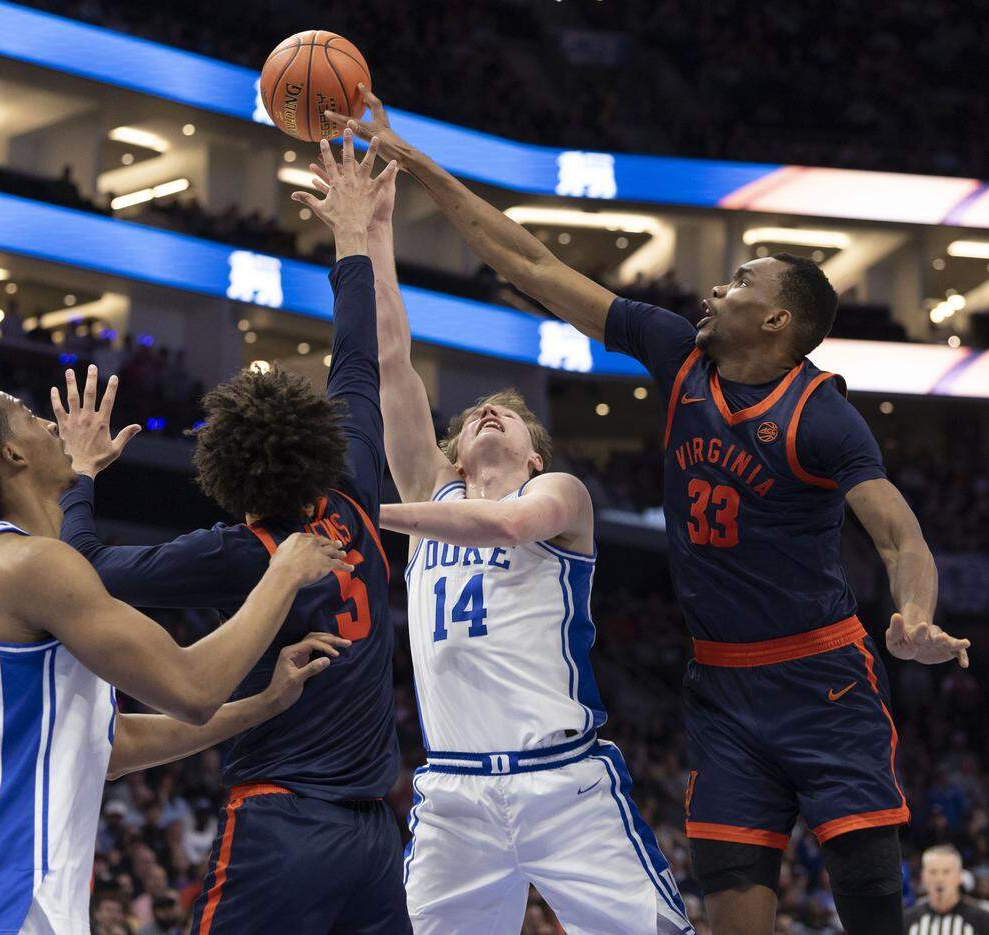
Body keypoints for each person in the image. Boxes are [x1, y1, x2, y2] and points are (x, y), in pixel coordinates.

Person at [333, 90, 971, 935]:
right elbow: (528, 263)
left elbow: (899, 531)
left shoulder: (819, 413)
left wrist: (915, 613)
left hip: (819, 675)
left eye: (741, 281)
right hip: (716, 685)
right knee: (734, 905)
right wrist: (415, 169)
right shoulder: (677, 354)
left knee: (868, 902)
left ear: (777, 319)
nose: (716, 285)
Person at [307, 143, 691, 933]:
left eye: (507, 414)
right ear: (452, 451)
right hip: (452, 794)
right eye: (476, 413)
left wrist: (365, 512)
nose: (488, 412)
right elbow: (387, 358)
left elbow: (511, 525)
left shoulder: (558, 494)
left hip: (565, 783)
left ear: (533, 451)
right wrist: (374, 232)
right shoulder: (432, 491)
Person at [55, 131, 409, 934]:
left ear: (227, 476)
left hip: (284, 824)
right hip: (375, 836)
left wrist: (82, 474)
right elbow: (357, 356)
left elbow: (84, 570)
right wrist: (352, 235)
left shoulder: (239, 551)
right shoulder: (352, 483)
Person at [0, 387, 349, 934]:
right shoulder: (26, 564)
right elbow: (192, 688)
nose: (51, 425)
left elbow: (108, 745)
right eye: (29, 416)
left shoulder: (10, 563)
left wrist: (262, 705)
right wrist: (281, 572)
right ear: (12, 455)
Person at [905, 845, 989, 935]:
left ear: (959, 876)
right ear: (923, 876)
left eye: (946, 872)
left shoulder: (982, 920)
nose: (939, 879)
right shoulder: (908, 920)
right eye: (933, 872)